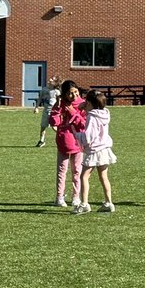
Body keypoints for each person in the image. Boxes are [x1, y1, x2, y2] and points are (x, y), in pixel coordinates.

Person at [76, 89, 117, 214]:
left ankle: (84, 204)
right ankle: (109, 202)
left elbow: (89, 137)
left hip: (94, 150)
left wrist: (77, 135)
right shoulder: (104, 113)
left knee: (84, 176)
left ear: (89, 102)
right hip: (104, 148)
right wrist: (84, 107)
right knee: (104, 176)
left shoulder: (92, 118)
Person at [49, 79, 86, 209]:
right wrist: (58, 107)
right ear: (64, 94)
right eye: (70, 93)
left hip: (78, 142)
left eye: (76, 92)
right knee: (62, 170)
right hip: (64, 141)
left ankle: (76, 197)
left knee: (77, 171)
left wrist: (73, 113)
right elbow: (54, 121)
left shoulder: (82, 104)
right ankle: (59, 197)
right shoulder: (60, 104)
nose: (74, 96)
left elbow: (84, 123)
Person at [34, 76, 61, 147]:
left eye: (52, 79)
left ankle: (64, 137)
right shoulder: (44, 89)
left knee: (54, 127)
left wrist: (58, 110)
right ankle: (41, 141)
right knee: (43, 126)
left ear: (55, 83)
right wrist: (36, 107)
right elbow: (39, 98)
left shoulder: (56, 92)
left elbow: (59, 102)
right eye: (51, 78)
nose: (50, 79)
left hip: (53, 112)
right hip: (45, 111)